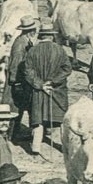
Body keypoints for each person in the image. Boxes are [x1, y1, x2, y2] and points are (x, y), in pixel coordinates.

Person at [23, 23, 73, 156]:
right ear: (51, 36)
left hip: (38, 91)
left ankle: (35, 148)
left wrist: (40, 84)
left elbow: (28, 71)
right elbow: (67, 69)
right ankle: (65, 147)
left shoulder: (32, 51)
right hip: (56, 90)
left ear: (41, 36)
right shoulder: (60, 50)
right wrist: (52, 81)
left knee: (38, 119)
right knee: (61, 119)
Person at [3, 16, 37, 140]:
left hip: (20, 78)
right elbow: (15, 64)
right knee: (13, 107)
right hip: (17, 79)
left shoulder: (25, 41)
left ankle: (14, 133)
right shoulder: (21, 43)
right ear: (31, 31)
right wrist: (15, 82)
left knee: (20, 106)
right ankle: (9, 134)